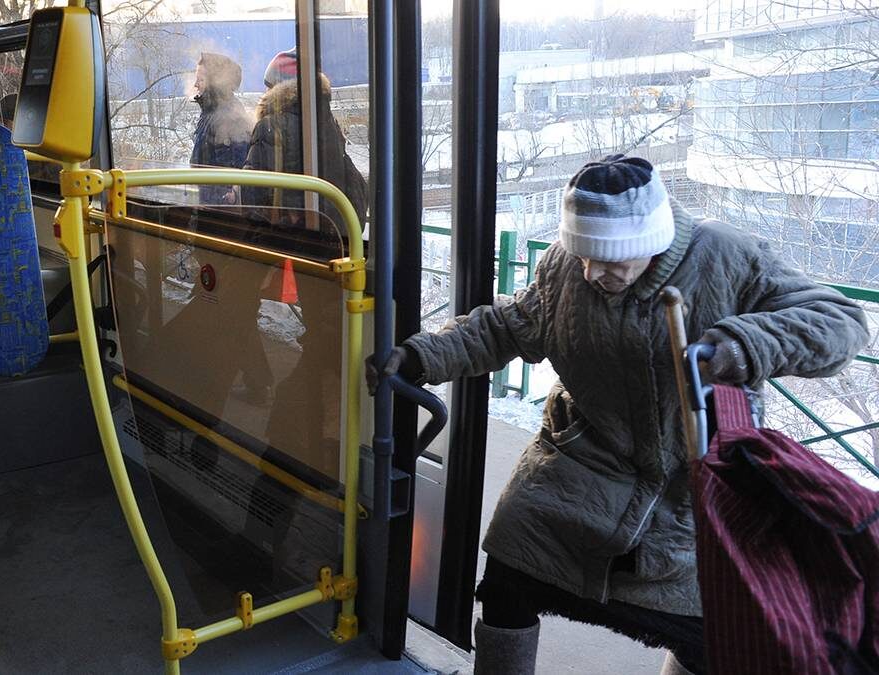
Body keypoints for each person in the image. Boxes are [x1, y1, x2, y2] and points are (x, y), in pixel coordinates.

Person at [366, 155, 870, 674]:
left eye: (609, 259)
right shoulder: (567, 265)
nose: (592, 272)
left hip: (686, 488)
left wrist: (741, 344)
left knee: (711, 637)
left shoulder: (725, 255)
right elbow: (510, 325)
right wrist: (424, 355)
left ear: (650, 242)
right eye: (583, 255)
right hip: (580, 462)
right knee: (507, 582)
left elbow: (840, 323)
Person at [241, 48, 367, 234]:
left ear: (279, 88)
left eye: (269, 86)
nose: (264, 92)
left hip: (287, 239)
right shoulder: (329, 124)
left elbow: (252, 196)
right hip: (333, 236)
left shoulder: (269, 126)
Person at [189, 52, 251, 204]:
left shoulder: (228, 117)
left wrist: (224, 201)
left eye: (200, 79)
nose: (195, 84)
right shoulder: (210, 113)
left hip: (219, 211)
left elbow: (231, 176)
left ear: (215, 83)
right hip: (207, 203)